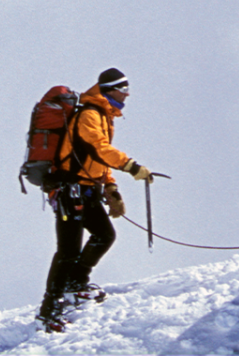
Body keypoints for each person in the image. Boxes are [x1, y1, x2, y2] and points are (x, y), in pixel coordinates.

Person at [38, 68, 154, 332]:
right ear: (109, 90)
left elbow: (96, 159)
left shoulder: (103, 115)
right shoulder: (90, 114)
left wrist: (111, 188)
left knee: (104, 235)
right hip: (70, 189)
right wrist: (131, 166)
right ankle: (48, 310)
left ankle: (76, 283)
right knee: (68, 251)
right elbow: (99, 149)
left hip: (87, 189)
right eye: (123, 89)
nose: (127, 94)